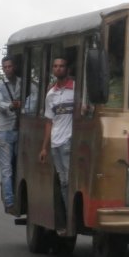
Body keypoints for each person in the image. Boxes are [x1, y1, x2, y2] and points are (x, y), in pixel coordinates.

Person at [39, 57, 75, 216]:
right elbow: (49, 122)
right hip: (55, 143)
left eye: (62, 66)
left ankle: (71, 215)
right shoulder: (50, 94)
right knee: (63, 181)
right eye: (55, 66)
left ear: (67, 69)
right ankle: (68, 214)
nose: (59, 69)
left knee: (69, 179)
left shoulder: (76, 89)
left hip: (69, 140)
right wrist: (44, 148)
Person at [0, 56, 22, 214]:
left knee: (19, 166)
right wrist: (12, 105)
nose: (8, 69)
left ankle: (17, 196)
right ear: (3, 68)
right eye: (5, 67)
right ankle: (9, 202)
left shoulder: (22, 83)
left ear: (14, 67)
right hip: (4, 130)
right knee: (6, 169)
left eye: (10, 66)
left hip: (20, 130)